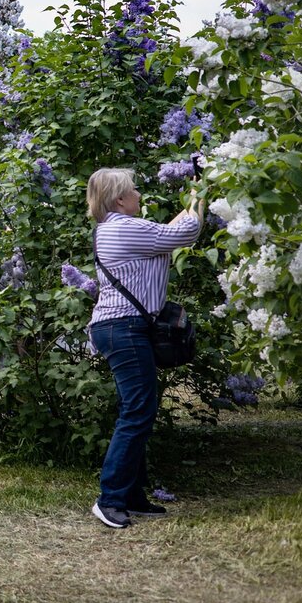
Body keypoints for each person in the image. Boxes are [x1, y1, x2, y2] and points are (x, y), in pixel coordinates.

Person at [85, 167, 204, 529]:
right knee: (138, 412)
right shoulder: (124, 228)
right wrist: (202, 189)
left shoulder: (118, 229)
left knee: (136, 409)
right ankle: (110, 500)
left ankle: (132, 495)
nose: (139, 194)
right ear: (119, 199)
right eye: (133, 190)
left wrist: (196, 188)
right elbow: (187, 231)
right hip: (124, 329)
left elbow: (169, 232)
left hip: (118, 328)